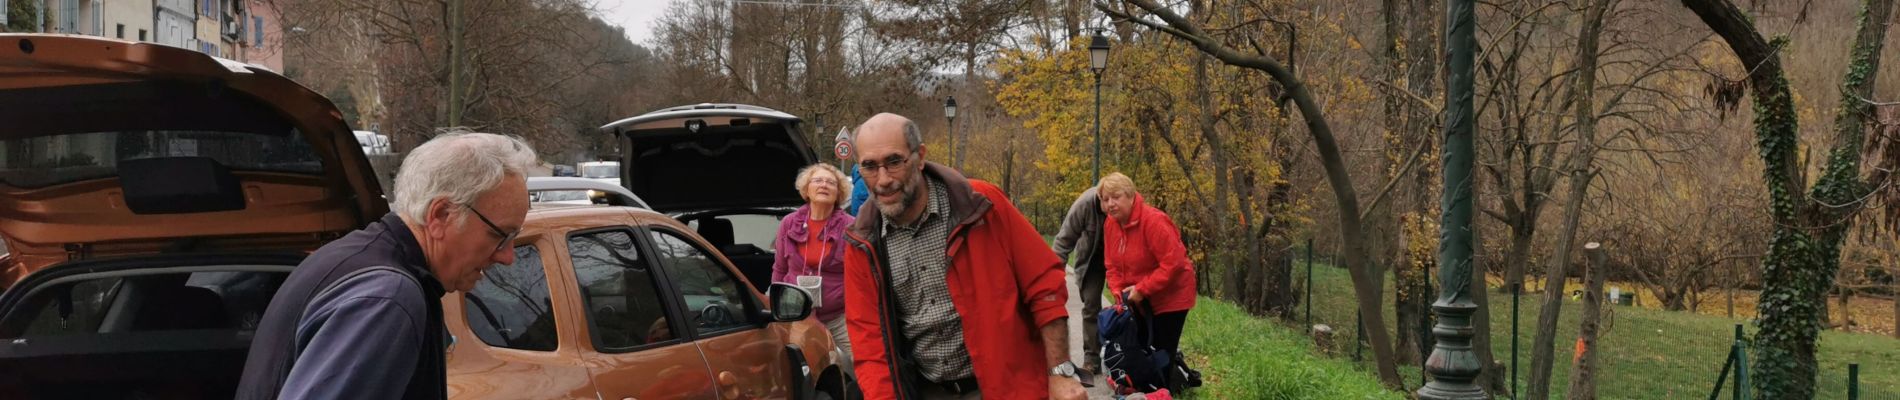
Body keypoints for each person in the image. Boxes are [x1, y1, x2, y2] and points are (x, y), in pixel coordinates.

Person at [237, 132, 538, 400]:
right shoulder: (387, 299)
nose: (507, 256)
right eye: (500, 235)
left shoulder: (352, 258)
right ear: (441, 215)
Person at [842, 113, 1087, 400]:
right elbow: (869, 343)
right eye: (869, 166)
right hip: (928, 389)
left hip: (1009, 386)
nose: (883, 180)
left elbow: (1044, 285)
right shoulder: (862, 243)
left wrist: (1060, 373)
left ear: (920, 157)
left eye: (894, 162)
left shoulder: (981, 205)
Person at [1099, 172, 1197, 371]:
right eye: (1105, 199)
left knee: (1161, 351)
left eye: (1116, 197)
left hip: (1170, 297)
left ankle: (1165, 389)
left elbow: (1174, 263)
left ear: (1131, 195)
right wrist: (1119, 292)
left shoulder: (1154, 221)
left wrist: (1142, 289)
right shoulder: (1110, 223)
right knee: (1139, 348)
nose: (1110, 204)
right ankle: (1147, 387)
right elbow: (1112, 265)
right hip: (1138, 299)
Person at [772, 163, 857, 372]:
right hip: (798, 317)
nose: (824, 185)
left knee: (864, 364)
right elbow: (780, 269)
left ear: (839, 192)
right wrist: (777, 307)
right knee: (799, 370)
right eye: (817, 180)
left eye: (831, 182)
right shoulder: (789, 223)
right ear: (806, 189)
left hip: (839, 317)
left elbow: (860, 276)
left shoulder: (851, 226)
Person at [1051, 186, 1107, 374]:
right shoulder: (1084, 204)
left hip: (1122, 257)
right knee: (1091, 305)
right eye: (1105, 199)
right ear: (1099, 196)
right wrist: (1053, 277)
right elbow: (1063, 241)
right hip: (1092, 259)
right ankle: (1092, 358)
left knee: (1128, 305)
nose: (1110, 204)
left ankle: (1131, 355)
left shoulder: (1123, 202)